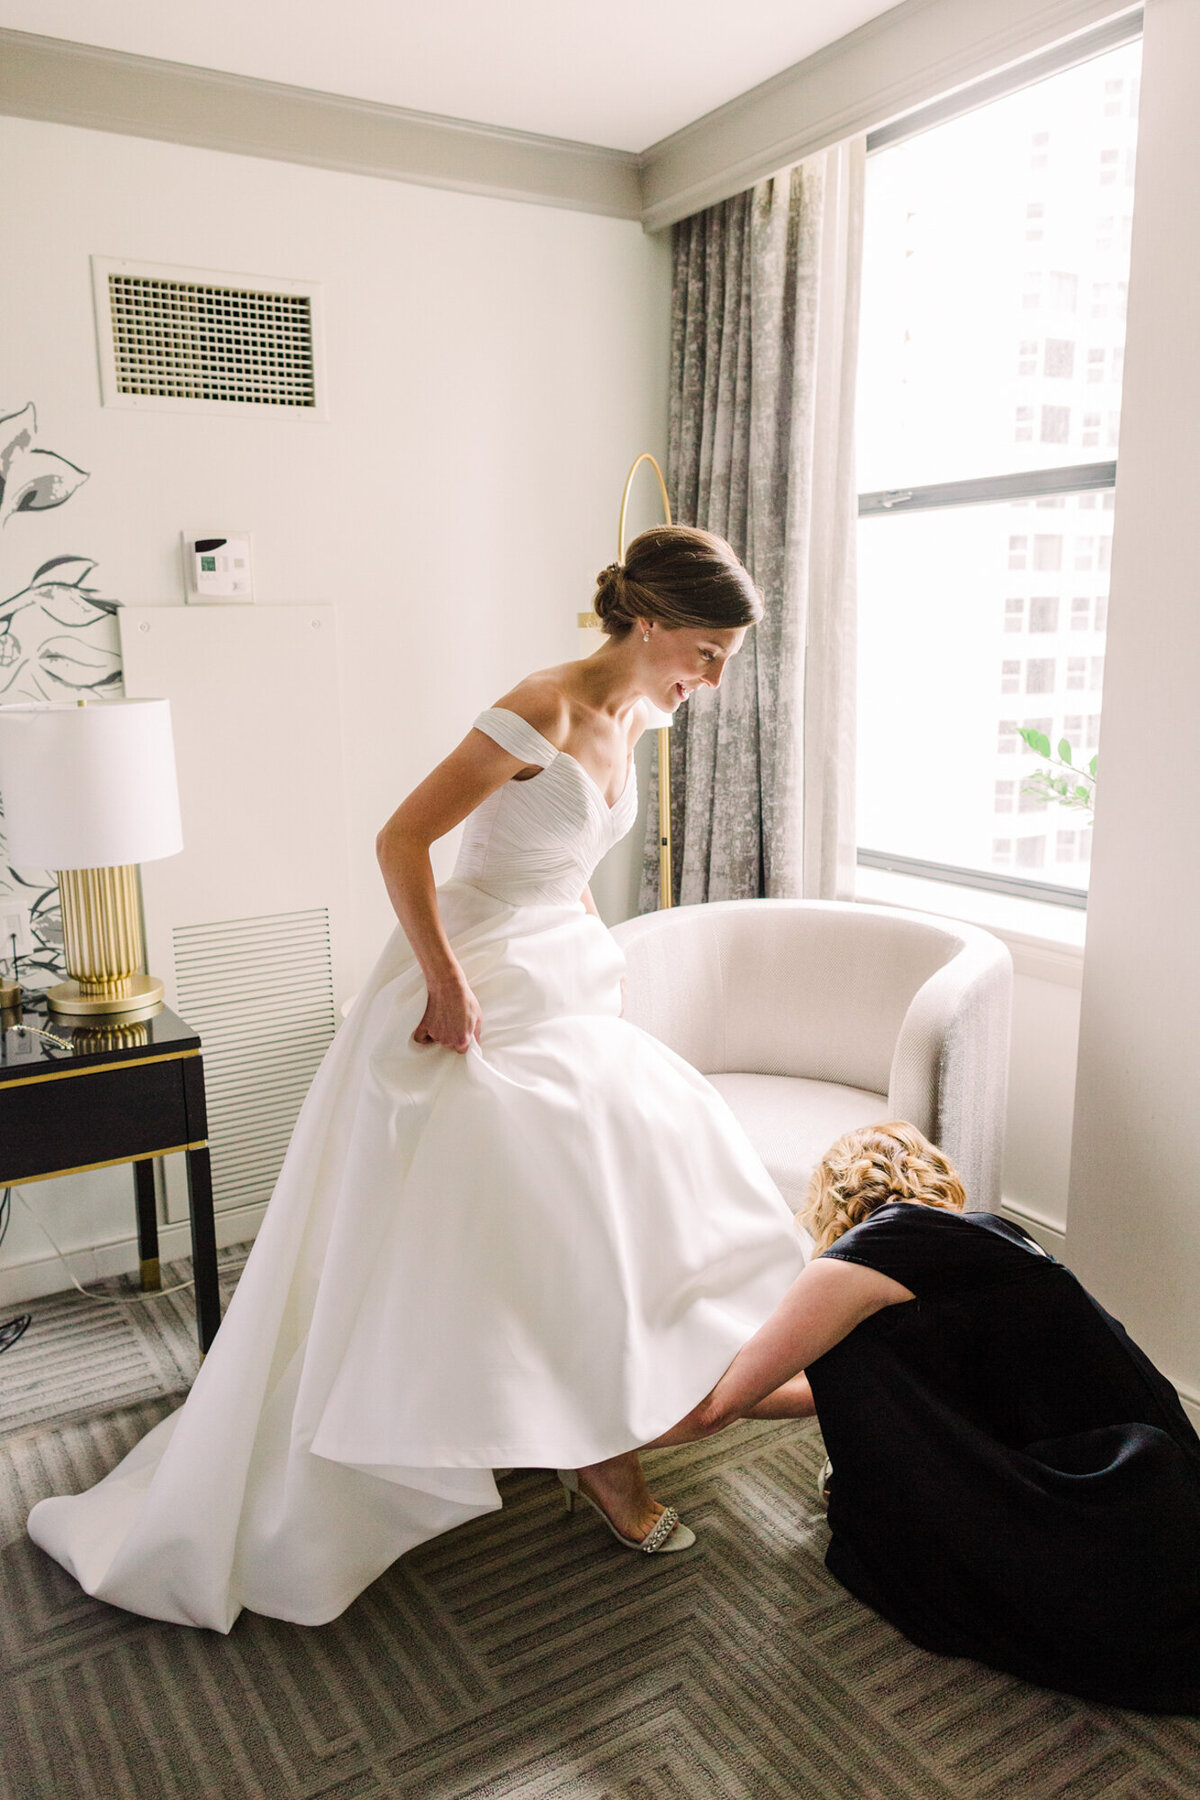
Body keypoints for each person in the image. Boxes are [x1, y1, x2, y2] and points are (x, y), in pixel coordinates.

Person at [27, 526, 808, 1631]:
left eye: (728, 656)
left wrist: (593, 947)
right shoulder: (537, 707)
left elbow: (565, 860)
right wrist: (445, 982)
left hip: (562, 974)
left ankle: (598, 1416)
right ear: (644, 622)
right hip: (473, 980)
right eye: (707, 648)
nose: (715, 676)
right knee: (515, 1201)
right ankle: (580, 1451)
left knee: (622, 1183)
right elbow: (401, 840)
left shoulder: (646, 713)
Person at [655, 1121, 1200, 1713]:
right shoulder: (998, 1239)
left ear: (829, 1198)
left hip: (1085, 1517)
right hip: (1154, 1504)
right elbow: (822, 1393)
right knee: (850, 1351)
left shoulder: (859, 1259)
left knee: (850, 1367)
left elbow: (716, 1410)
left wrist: (601, 1438)